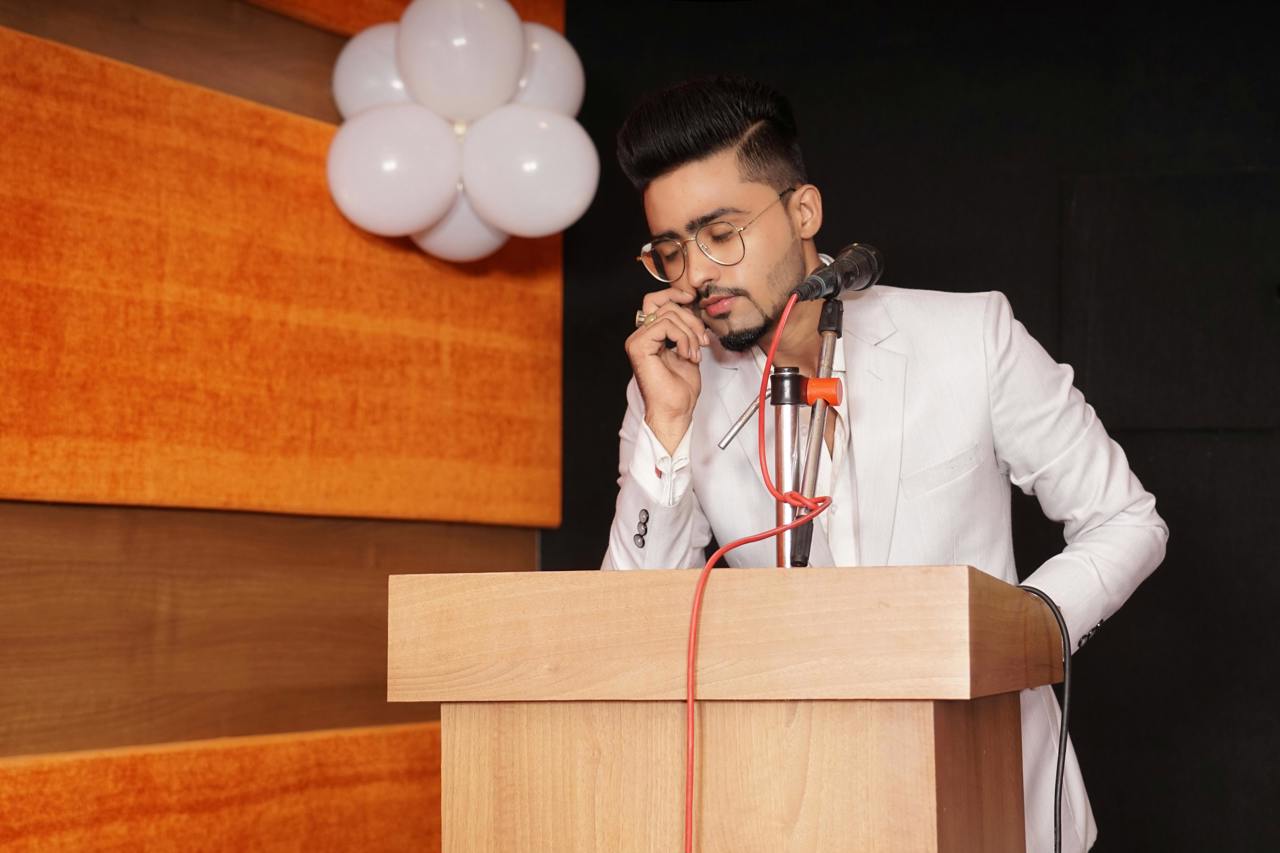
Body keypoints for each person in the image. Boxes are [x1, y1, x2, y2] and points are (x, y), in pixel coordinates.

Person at [600, 76, 1168, 853]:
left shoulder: (972, 337)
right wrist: (665, 429)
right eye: (671, 250)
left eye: (721, 233)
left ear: (804, 211)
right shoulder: (671, 387)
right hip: (796, 806)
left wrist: (1012, 633)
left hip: (996, 790)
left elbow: (1128, 520)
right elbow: (629, 625)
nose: (695, 274)